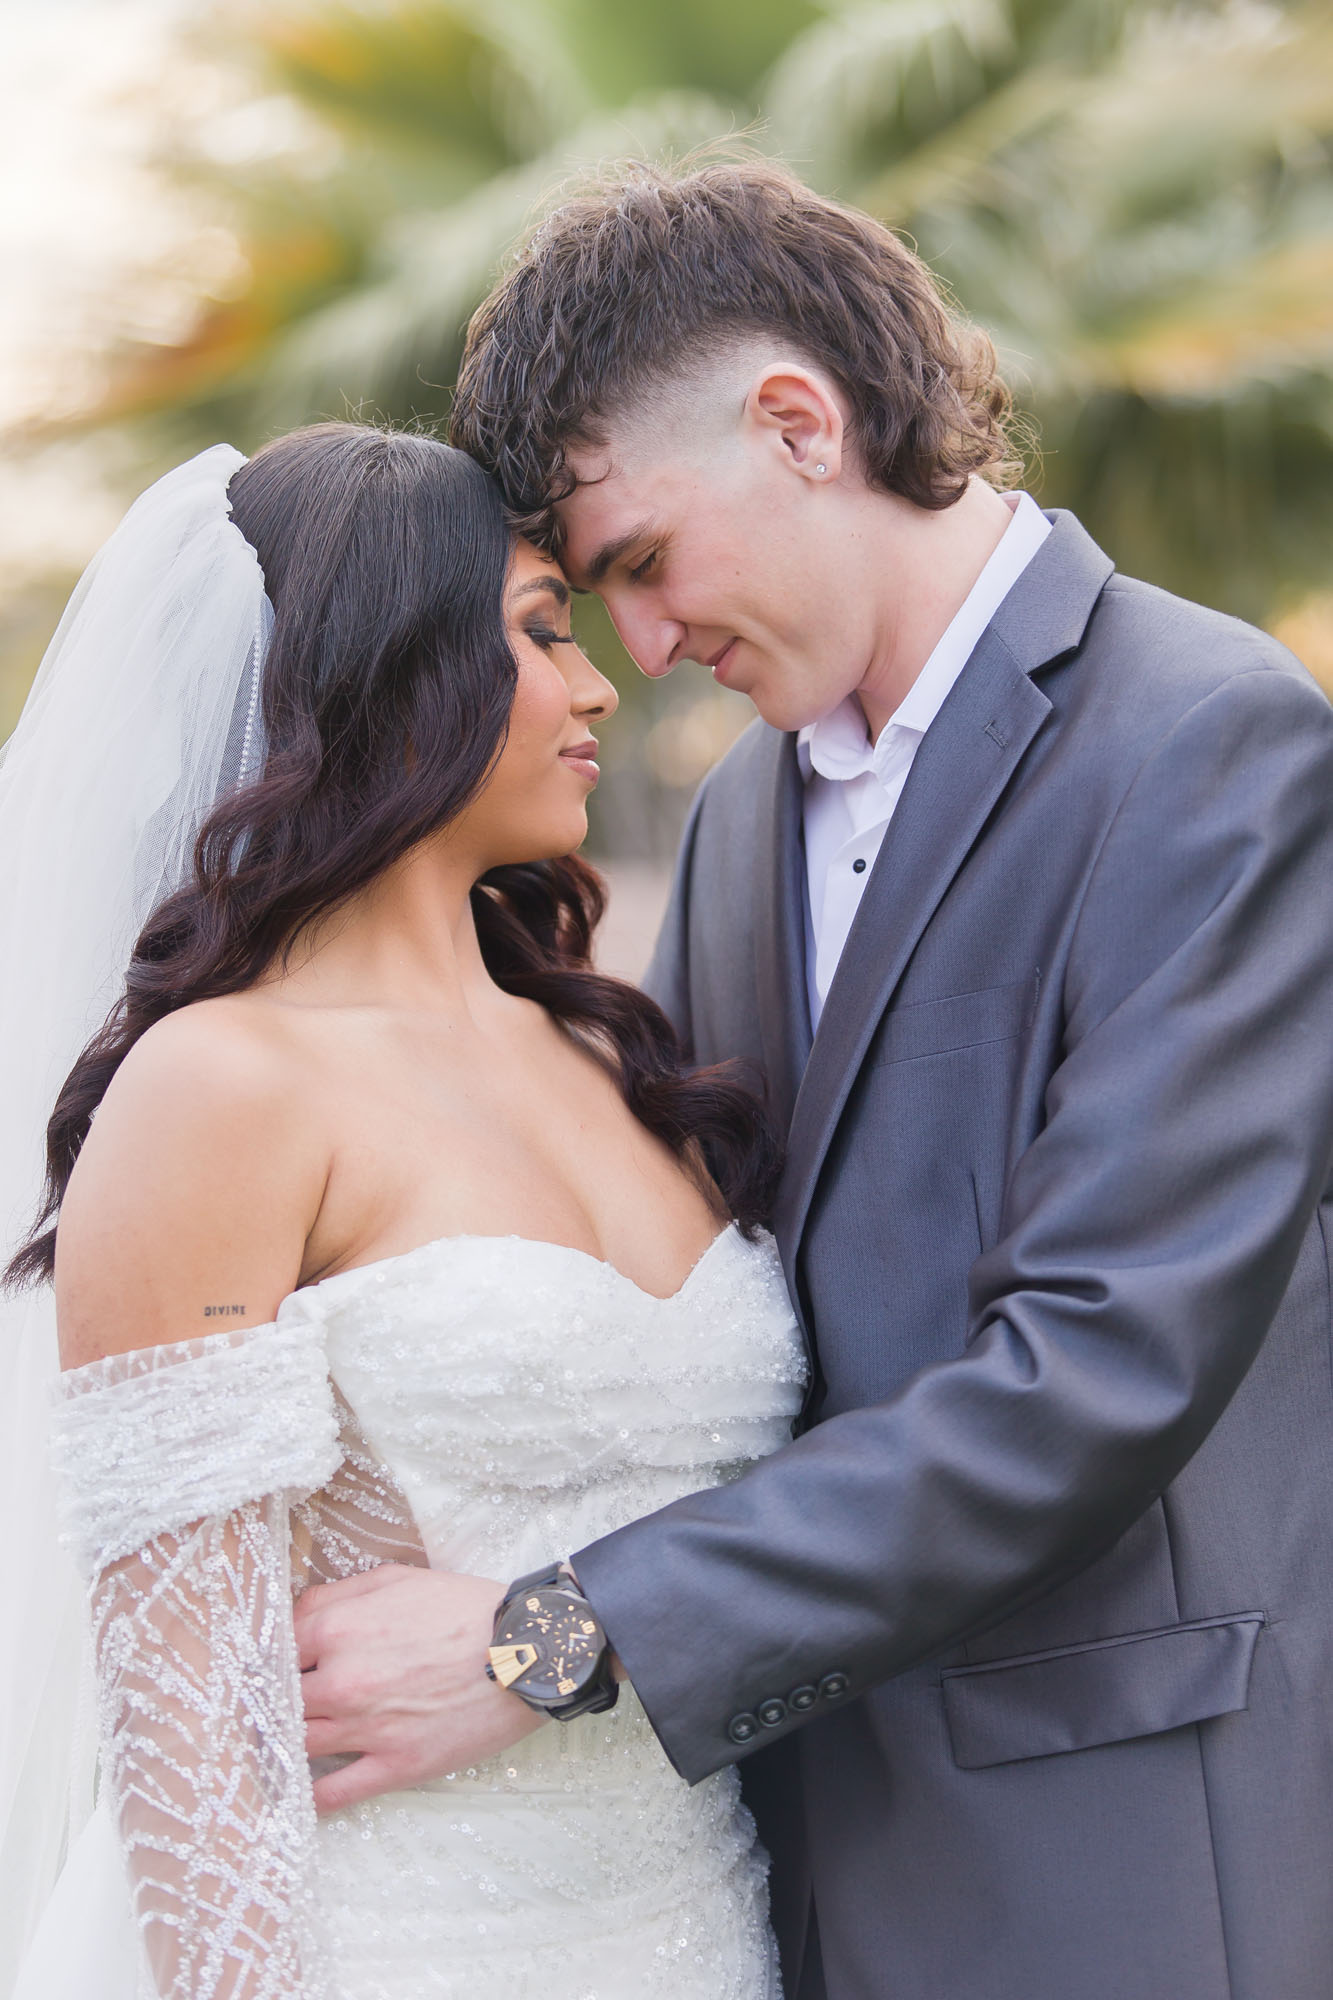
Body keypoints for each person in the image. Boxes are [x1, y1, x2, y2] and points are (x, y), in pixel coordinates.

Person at [297, 163, 1333, 2000]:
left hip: (1113, 1859)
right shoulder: (749, 807)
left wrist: (555, 1638)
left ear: (798, 422)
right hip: (766, 1868)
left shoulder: (1210, 742)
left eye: (637, 562)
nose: (642, 647)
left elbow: (1097, 1369)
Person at [1, 422, 808, 1999]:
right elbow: (194, 1744)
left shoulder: (606, 1048)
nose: (598, 690)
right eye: (539, 631)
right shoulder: (222, 1089)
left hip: (706, 1931)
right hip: (399, 1946)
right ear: (391, 670)